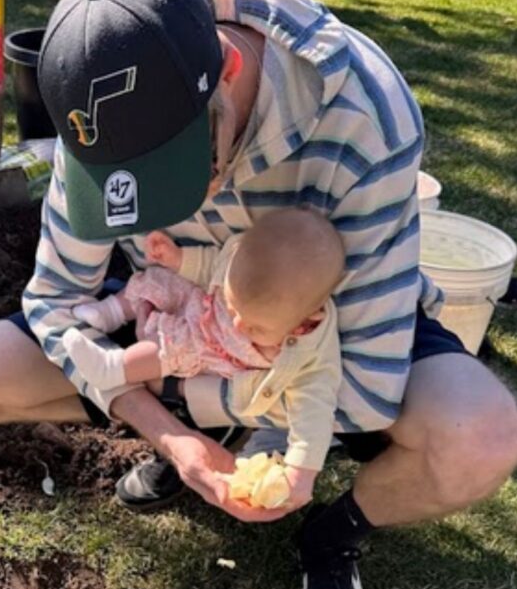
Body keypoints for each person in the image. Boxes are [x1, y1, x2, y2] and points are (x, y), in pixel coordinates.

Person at [0, 0, 517, 589]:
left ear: (231, 71)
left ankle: (332, 535)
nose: (158, 212)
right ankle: (215, 435)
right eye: (124, 190)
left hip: (310, 325)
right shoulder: (101, 99)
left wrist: (245, 414)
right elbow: (56, 304)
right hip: (171, 306)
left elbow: (363, 385)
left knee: (483, 435)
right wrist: (176, 437)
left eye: (176, 178)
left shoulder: (365, 111)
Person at [62, 209, 345, 508]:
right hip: (206, 306)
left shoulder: (310, 351)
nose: (238, 325)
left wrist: (302, 472)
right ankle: (110, 312)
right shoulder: (246, 262)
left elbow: (314, 412)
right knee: (160, 280)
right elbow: (214, 265)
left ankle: (113, 369)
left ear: (305, 320)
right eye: (237, 309)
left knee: (170, 348)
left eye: (255, 327)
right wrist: (180, 259)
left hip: (212, 348)